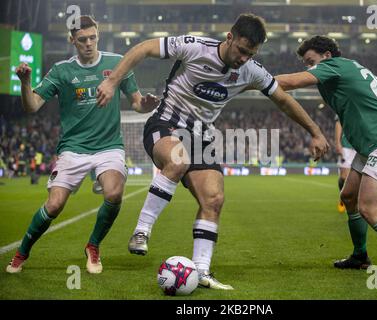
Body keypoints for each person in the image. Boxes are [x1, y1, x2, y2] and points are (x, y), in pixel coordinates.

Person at [97, 14, 329, 289]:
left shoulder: (252, 70)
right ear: (229, 37)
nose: (244, 58)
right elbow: (144, 48)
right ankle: (141, 231)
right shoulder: (195, 47)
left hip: (201, 138)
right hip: (165, 124)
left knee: (214, 199)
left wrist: (315, 131)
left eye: (250, 54)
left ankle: (202, 271)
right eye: (242, 50)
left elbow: (283, 100)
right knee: (177, 159)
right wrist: (112, 82)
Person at [6, 15, 157, 274]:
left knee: (113, 193)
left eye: (93, 38)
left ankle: (93, 246)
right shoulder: (61, 71)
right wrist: (25, 83)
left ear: (97, 35)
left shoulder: (116, 64)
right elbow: (31, 106)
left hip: (108, 146)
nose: (89, 44)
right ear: (72, 40)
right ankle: (22, 253)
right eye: (83, 40)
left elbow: (136, 102)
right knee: (54, 205)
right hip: (73, 148)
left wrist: (146, 105)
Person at [275, 35, 377, 282]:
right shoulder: (346, 68)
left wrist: (253, 79)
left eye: (311, 61)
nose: (309, 67)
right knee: (347, 196)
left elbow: (290, 82)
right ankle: (360, 256)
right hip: (370, 143)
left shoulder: (335, 65)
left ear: (327, 56)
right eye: (306, 63)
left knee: (368, 207)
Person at [335, 116, 356, 213]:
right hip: (346, 145)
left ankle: (354, 201)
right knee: (344, 177)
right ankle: (342, 197)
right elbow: (339, 123)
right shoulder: (345, 102)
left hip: (361, 144)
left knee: (359, 177)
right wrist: (338, 143)